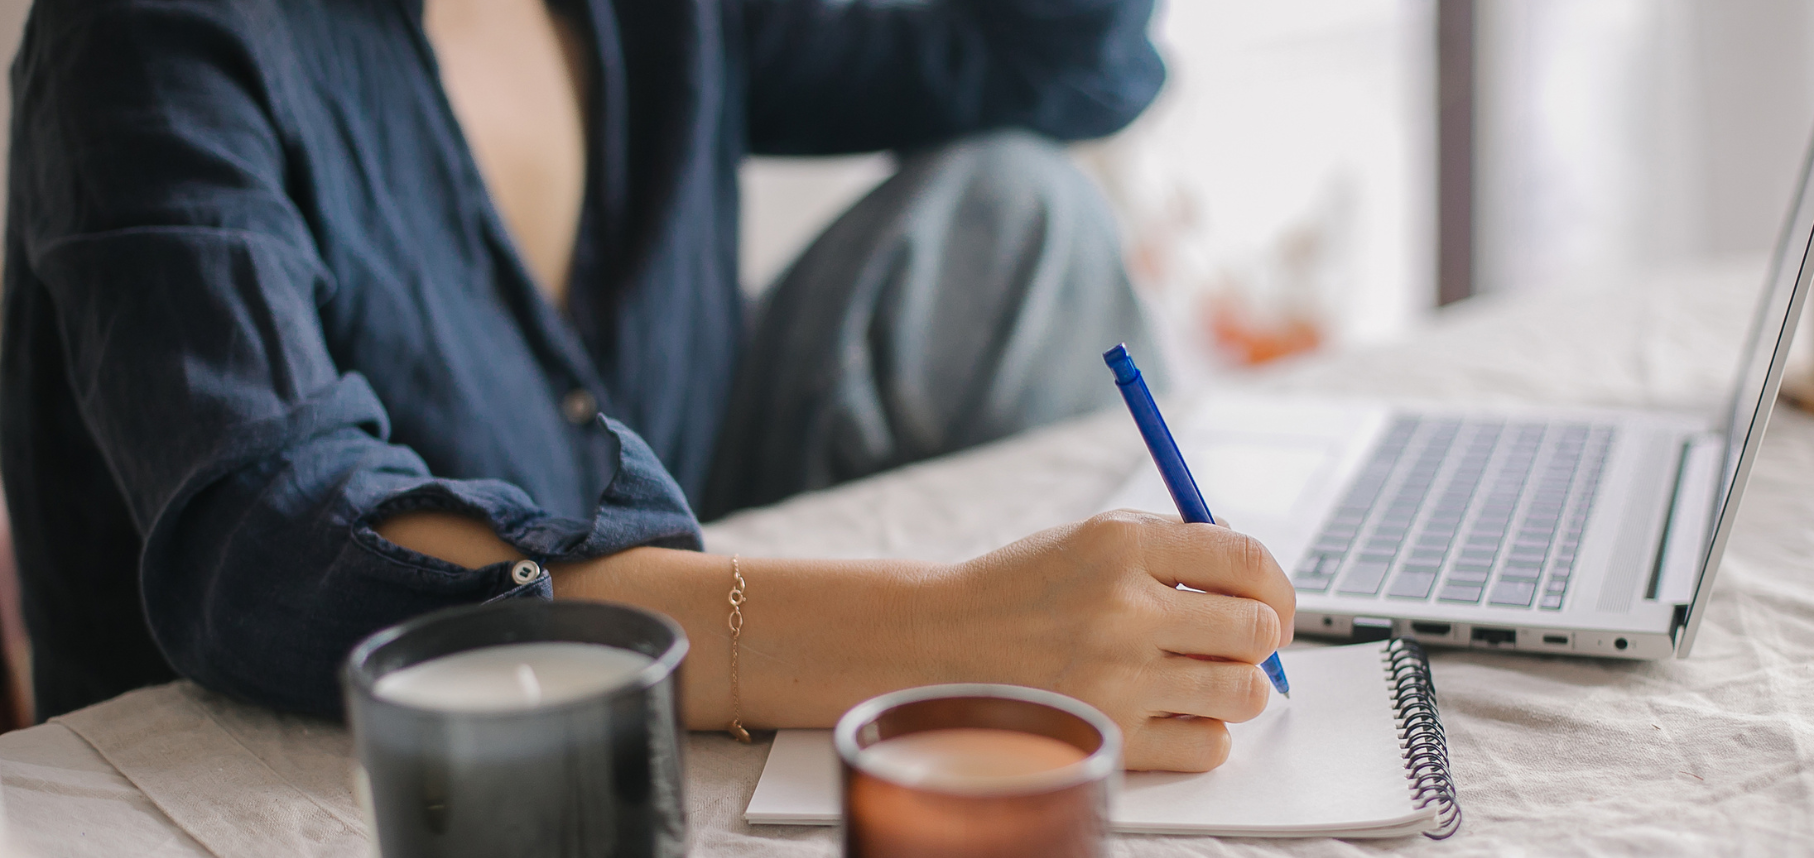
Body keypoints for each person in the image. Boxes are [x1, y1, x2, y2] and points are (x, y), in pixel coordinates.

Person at [0, 0, 1293, 771]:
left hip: (683, 562)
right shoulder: (150, 36)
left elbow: (1054, 66)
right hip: (349, 758)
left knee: (1016, 217)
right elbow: (280, 545)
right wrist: (940, 632)